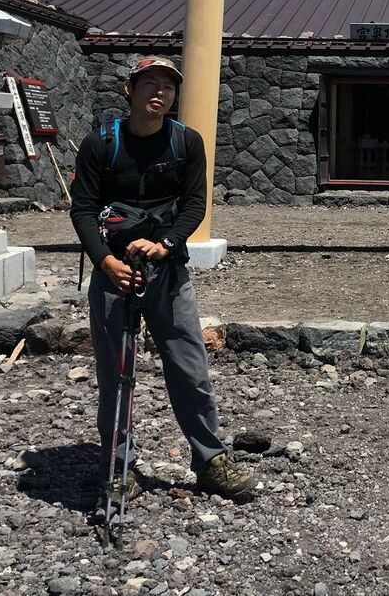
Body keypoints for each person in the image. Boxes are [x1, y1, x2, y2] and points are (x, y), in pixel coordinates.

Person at [70, 56, 256, 509]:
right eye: (150, 84)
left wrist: (168, 244)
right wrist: (104, 262)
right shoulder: (100, 144)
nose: (160, 93)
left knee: (189, 366)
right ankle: (119, 466)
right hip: (115, 272)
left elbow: (195, 203)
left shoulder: (186, 142)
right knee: (115, 373)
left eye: (169, 87)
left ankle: (210, 460)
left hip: (167, 272)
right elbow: (81, 208)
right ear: (129, 90)